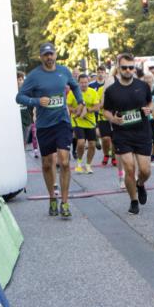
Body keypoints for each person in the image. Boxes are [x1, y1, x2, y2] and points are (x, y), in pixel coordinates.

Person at [15, 42, 84, 218]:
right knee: (47, 164)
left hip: (62, 122)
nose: (49, 58)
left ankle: (65, 202)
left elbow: (75, 86)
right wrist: (36, 102)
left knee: (65, 161)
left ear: (55, 54)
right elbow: (19, 97)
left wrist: (81, 101)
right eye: (45, 55)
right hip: (45, 125)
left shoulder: (64, 71)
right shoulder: (34, 76)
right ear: (41, 57)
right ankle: (52, 198)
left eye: (51, 54)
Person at [102, 53, 154, 215]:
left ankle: (140, 184)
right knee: (129, 169)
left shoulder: (142, 86)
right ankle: (133, 200)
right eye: (124, 67)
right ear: (118, 68)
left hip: (142, 133)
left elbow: (150, 102)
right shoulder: (111, 90)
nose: (128, 70)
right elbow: (105, 111)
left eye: (131, 67)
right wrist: (113, 120)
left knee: (145, 171)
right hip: (122, 134)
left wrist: (149, 109)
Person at [69, 73, 101, 174]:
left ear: (88, 82)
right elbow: (67, 106)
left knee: (92, 144)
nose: (84, 84)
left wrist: (87, 109)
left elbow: (97, 107)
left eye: (86, 82)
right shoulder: (72, 93)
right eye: (82, 83)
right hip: (77, 120)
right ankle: (79, 163)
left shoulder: (93, 92)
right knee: (81, 142)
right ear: (78, 83)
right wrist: (75, 110)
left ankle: (88, 165)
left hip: (90, 122)